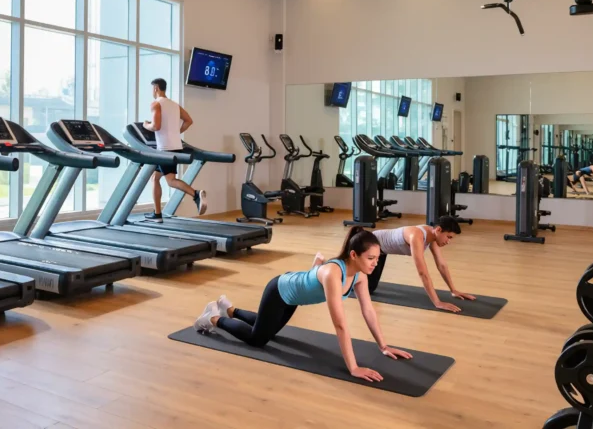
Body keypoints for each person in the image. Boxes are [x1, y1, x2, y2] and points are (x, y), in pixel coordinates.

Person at [194, 227, 412, 383]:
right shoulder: (333, 274)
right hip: (279, 291)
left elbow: (368, 311)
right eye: (371, 258)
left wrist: (383, 346)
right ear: (354, 255)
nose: (376, 263)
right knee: (258, 339)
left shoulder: (360, 275)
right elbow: (340, 325)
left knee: (270, 329)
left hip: (293, 298)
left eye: (377, 258)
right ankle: (213, 318)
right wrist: (353, 367)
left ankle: (229, 308)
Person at [343, 216, 475, 313]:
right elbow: (422, 272)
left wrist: (453, 290)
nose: (448, 241)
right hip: (369, 247)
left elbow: (441, 265)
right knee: (354, 286)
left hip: (381, 252)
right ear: (439, 230)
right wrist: (437, 302)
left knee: (370, 288)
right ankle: (334, 274)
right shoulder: (416, 236)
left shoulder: (433, 236)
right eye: (449, 237)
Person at [142, 78, 206, 222]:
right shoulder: (174, 105)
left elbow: (156, 126)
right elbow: (189, 121)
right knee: (155, 178)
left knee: (170, 181)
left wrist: (146, 124)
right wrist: (176, 132)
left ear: (156, 88)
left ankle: (195, 194)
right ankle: (157, 214)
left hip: (165, 148)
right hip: (175, 146)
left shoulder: (156, 104)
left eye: (152, 88)